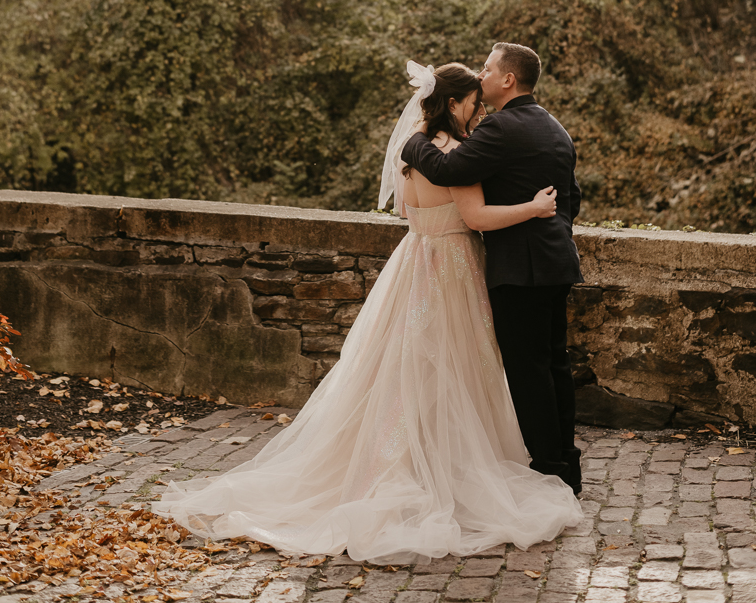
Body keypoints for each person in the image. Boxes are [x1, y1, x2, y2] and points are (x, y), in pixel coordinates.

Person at [154, 61, 582, 562]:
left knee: (404, 370)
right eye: (472, 102)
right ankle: (453, 464)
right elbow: (472, 216)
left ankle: (400, 459)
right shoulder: (472, 148)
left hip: (414, 263)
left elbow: (407, 211)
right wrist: (533, 209)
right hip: (453, 269)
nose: (478, 110)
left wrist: (417, 142)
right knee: (463, 368)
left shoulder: (414, 152)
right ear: (453, 103)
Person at [402, 43, 583, 495]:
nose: (481, 77)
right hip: (557, 259)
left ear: (508, 80)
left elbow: (448, 168)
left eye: (487, 69)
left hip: (518, 269)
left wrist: (412, 141)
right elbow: (572, 199)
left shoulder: (499, 128)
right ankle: (567, 463)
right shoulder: (556, 128)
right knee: (555, 364)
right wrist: (548, 223)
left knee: (526, 369)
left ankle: (548, 468)